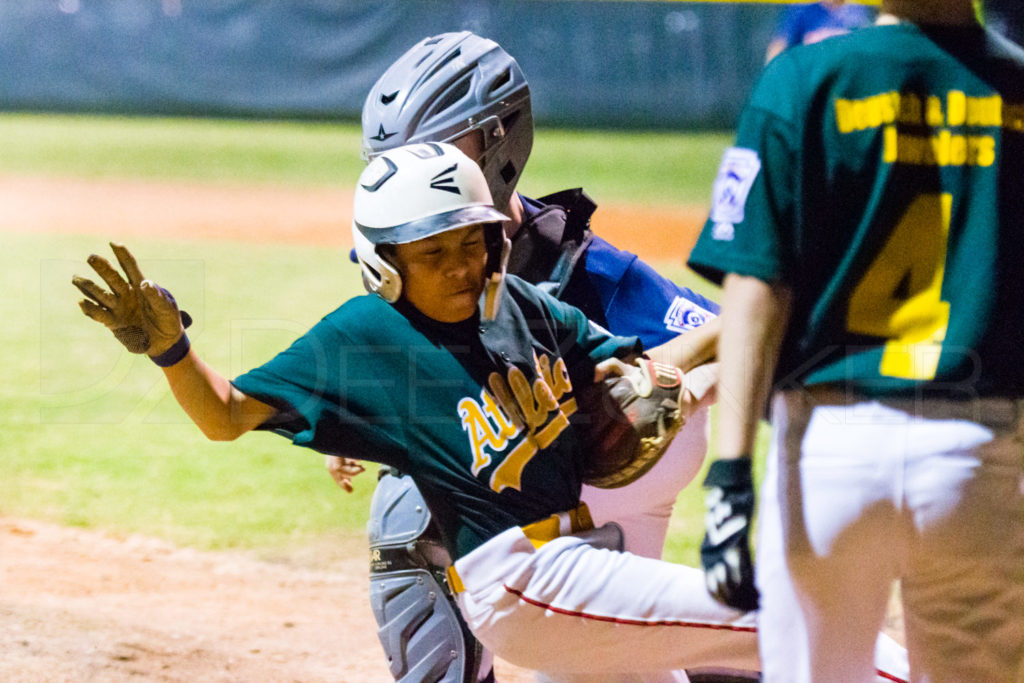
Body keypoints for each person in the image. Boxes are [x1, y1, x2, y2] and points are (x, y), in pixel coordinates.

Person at [337, 31, 908, 683]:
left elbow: (739, 325)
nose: (403, 175)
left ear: (499, 142)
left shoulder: (594, 275)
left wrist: (703, 381)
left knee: (419, 500)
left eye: (428, 151)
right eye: (390, 160)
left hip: (633, 443)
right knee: (610, 660)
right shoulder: (410, 234)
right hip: (566, 468)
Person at [73, 143, 764, 679]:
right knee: (772, 618)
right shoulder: (364, 335)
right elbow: (224, 414)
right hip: (523, 580)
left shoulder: (522, 308)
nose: (463, 265)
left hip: (581, 559)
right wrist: (172, 351)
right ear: (386, 263)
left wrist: (744, 313)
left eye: (473, 243)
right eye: (435, 252)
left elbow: (634, 369)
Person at [689, 1, 1024, 680]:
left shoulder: (804, 79)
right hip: (978, 450)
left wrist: (729, 476)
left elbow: (757, 287)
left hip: (828, 447)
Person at [765, 0, 873, 63]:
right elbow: (778, 47)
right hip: (810, 82)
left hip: (844, 82)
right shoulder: (803, 8)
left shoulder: (858, 10)